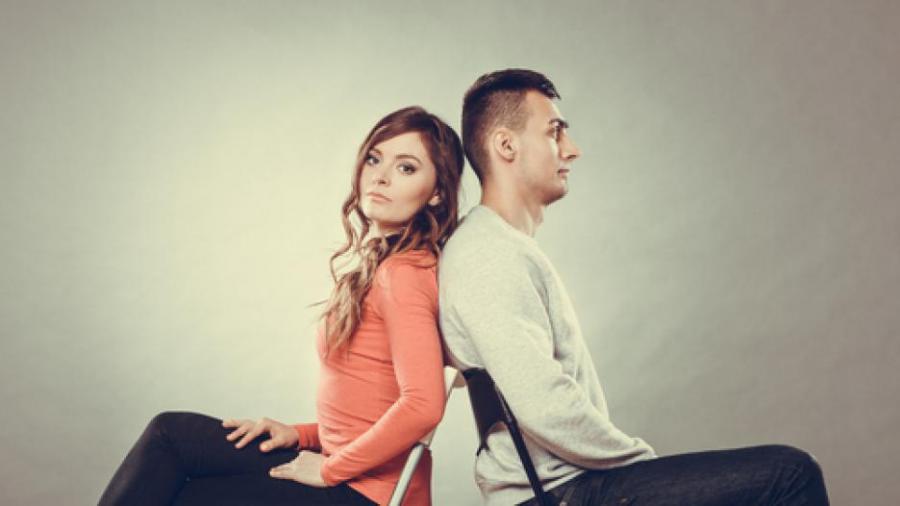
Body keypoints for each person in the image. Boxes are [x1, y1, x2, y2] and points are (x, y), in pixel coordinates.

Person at [438, 69, 830, 505]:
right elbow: (543, 406)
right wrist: (642, 465)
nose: (571, 149)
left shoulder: (498, 246)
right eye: (554, 132)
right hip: (558, 493)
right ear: (506, 145)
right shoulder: (487, 254)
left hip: (570, 486)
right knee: (792, 474)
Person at [99, 105, 464, 506]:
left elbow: (423, 406)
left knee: (183, 492)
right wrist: (300, 435)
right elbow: (367, 408)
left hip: (366, 493)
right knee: (170, 435)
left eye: (406, 168)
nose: (380, 176)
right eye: (375, 159)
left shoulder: (403, 274)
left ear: (437, 193)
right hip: (349, 468)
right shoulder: (385, 264)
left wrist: (329, 469)